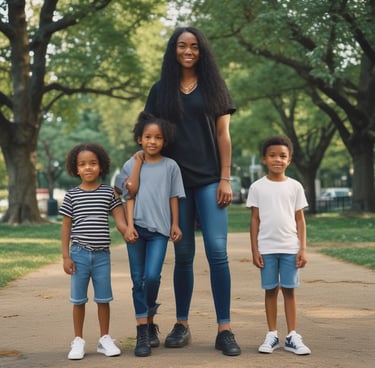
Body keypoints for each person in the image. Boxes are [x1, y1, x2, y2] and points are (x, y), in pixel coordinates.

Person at [143, 26, 241, 356]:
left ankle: (224, 329)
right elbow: (149, 135)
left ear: (202, 51)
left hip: (212, 180)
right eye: (182, 46)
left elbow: (224, 136)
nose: (188, 51)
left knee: (217, 253)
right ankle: (181, 324)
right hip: (175, 186)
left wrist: (225, 178)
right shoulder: (160, 91)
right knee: (183, 255)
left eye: (194, 46)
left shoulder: (215, 87)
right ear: (174, 50)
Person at [115, 111, 185, 357]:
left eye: (158, 138)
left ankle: (149, 316)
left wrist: (175, 224)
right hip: (136, 230)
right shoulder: (129, 164)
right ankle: (143, 331)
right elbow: (128, 193)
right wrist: (129, 226)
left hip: (159, 232)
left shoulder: (171, 166)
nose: (152, 141)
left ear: (164, 141)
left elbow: (174, 197)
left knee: (152, 277)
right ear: (139, 139)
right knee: (138, 279)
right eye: (148, 137)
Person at [60, 143, 127, 360]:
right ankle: (78, 340)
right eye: (82, 164)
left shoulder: (108, 193)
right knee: (78, 300)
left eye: (93, 163)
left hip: (101, 256)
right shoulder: (71, 195)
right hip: (78, 254)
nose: (88, 167)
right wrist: (65, 256)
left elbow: (119, 219)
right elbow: (66, 226)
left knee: (103, 298)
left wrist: (128, 231)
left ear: (101, 166)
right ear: (75, 169)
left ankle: (104, 339)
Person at [246, 135, 311, 355]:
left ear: (289, 160)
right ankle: (272, 334)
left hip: (290, 248)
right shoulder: (257, 187)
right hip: (267, 249)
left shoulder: (295, 187)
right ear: (264, 159)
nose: (277, 160)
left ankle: (292, 335)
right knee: (271, 290)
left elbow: (300, 220)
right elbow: (254, 219)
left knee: (290, 291)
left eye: (282, 156)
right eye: (272, 155)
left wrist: (302, 248)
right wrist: (255, 249)